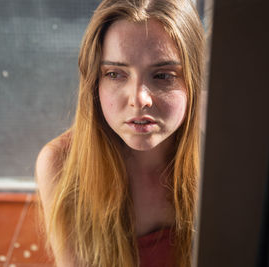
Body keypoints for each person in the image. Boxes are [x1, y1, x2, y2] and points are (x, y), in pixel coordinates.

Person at [35, 0, 205, 266]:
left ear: (193, 81)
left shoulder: (220, 161)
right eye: (115, 74)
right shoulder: (62, 165)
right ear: (94, 82)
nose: (139, 99)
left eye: (162, 75)